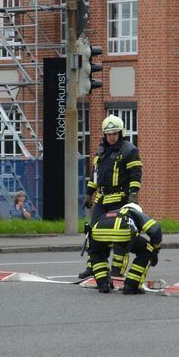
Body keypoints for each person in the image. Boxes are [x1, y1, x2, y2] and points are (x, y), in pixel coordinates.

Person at [78, 114, 143, 278]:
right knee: (94, 233)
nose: (111, 137)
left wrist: (133, 195)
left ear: (120, 133)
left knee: (120, 236)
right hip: (102, 199)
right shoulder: (100, 152)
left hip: (121, 199)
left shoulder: (129, 150)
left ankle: (117, 271)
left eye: (114, 134)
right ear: (104, 135)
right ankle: (93, 267)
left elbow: (136, 174)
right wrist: (88, 193)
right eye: (109, 134)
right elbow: (95, 176)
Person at [86, 202, 161, 294]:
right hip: (122, 231)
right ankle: (131, 286)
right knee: (146, 251)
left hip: (97, 232)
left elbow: (93, 227)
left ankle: (103, 284)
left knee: (97, 254)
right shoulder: (136, 213)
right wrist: (155, 249)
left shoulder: (110, 213)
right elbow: (155, 229)